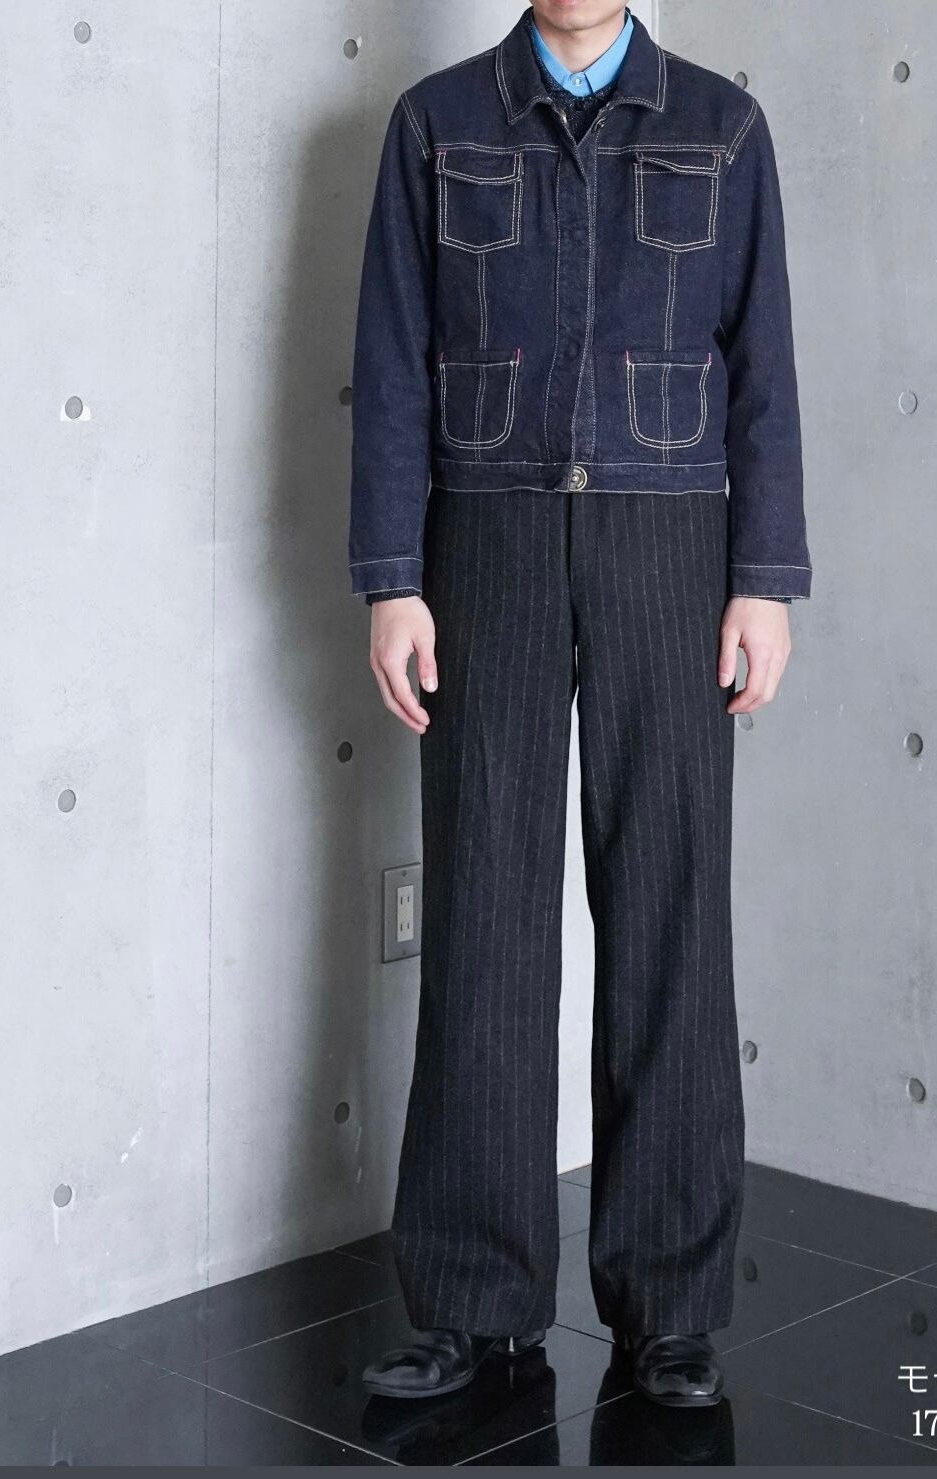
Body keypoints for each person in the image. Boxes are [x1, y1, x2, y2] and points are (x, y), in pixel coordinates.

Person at [348, 0, 811, 1408]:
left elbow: (764, 373)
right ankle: (473, 1302)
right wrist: (392, 579)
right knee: (484, 910)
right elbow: (390, 365)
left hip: (671, 545)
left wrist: (764, 578)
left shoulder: (724, 126)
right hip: (482, 548)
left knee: (671, 910)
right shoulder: (436, 126)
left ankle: (670, 1310)